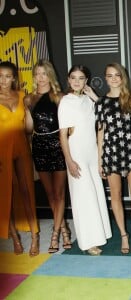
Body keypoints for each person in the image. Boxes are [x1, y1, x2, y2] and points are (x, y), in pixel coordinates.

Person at [58, 65, 112, 255]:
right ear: (68, 79)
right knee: (83, 197)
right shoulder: (66, 102)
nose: (77, 81)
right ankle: (88, 242)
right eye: (73, 78)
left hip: (91, 151)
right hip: (76, 153)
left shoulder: (88, 101)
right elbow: (63, 135)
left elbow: (105, 117)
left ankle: (99, 234)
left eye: (81, 78)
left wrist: (94, 96)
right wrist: (69, 161)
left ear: (86, 81)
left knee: (95, 193)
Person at [95, 62, 131, 255]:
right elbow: (100, 133)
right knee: (115, 196)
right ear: (105, 78)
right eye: (109, 75)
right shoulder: (101, 103)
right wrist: (100, 161)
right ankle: (124, 235)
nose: (113, 79)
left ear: (123, 77)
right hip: (111, 154)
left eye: (117, 75)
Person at [24, 59, 71, 254]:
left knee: (59, 194)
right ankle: (65, 228)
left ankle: (55, 234)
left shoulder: (60, 97)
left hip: (57, 146)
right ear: (34, 76)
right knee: (50, 193)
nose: (41, 78)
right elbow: (28, 129)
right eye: (37, 74)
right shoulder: (28, 99)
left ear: (50, 75)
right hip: (40, 146)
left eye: (44, 73)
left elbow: (68, 125)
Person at [0, 61, 39, 256]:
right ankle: (14, 237)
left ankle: (34, 237)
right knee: (6, 196)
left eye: (7, 76)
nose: (3, 80)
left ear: (14, 78)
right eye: (0, 76)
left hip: (22, 150)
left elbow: (29, 129)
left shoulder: (23, 97)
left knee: (27, 193)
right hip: (1, 153)